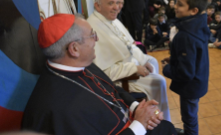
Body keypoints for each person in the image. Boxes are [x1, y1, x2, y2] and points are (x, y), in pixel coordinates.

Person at [22, 14, 176, 135]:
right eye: (92, 35)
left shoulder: (80, 64)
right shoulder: (58, 109)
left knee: (166, 126)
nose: (97, 39)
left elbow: (113, 89)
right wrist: (140, 124)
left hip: (131, 121)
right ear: (74, 49)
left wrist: (137, 108)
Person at [87, 0, 170, 120]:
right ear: (97, 5)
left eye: (117, 3)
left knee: (152, 61)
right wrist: (135, 68)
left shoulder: (111, 19)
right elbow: (103, 72)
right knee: (159, 81)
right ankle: (159, 119)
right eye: (110, 3)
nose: (117, 8)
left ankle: (154, 114)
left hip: (129, 65)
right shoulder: (93, 28)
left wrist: (142, 60)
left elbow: (130, 45)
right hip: (121, 78)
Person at [162, 0, 210, 135]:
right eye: (176, 2)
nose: (175, 7)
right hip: (198, 80)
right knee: (191, 114)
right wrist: (175, 59)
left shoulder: (186, 36)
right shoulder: (199, 24)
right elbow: (193, 56)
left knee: (189, 117)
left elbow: (186, 73)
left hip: (191, 86)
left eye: (180, 4)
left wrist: (167, 69)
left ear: (194, 10)